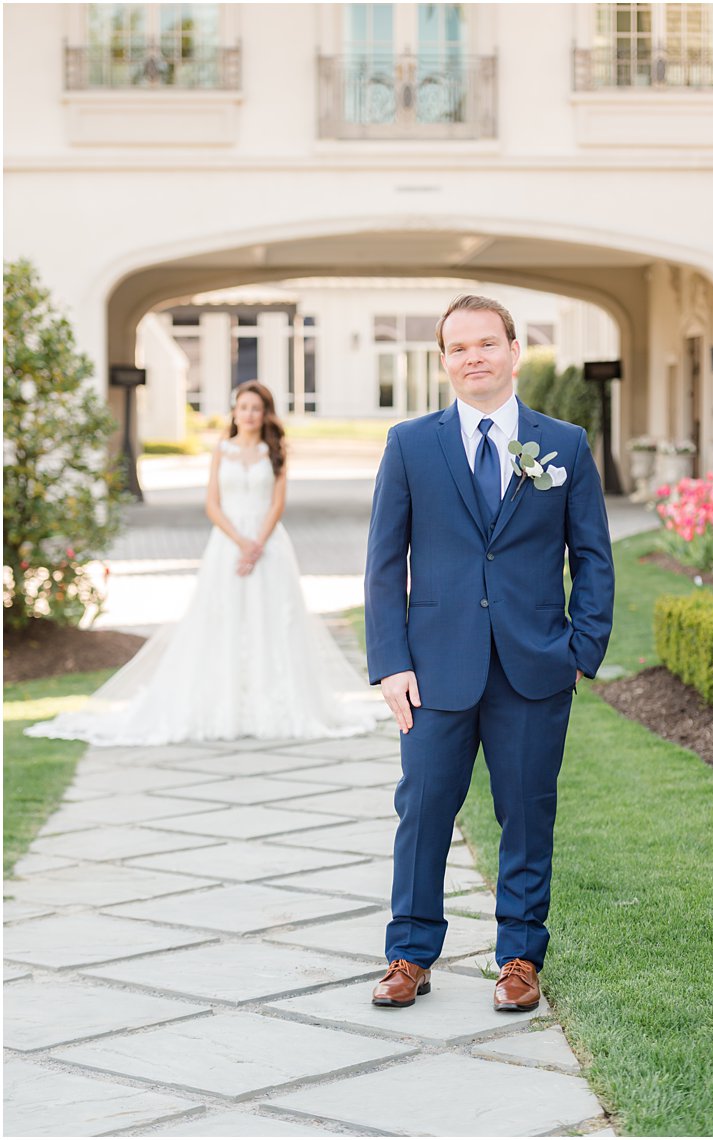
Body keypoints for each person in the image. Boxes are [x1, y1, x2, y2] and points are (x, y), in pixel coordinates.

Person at [365, 294, 614, 1014]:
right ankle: (409, 953)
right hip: (434, 669)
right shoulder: (410, 444)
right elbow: (385, 563)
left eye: (486, 344)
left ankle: (519, 956)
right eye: (458, 348)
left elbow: (592, 557)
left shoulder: (562, 445)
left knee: (529, 813)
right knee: (422, 811)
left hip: (535, 666)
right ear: (444, 360)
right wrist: (390, 662)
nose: (473, 357)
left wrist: (580, 649)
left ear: (513, 349)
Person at [26, 380, 385, 746]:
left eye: (255, 408)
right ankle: (224, 702)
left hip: (269, 544)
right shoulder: (222, 450)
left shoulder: (274, 451)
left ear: (265, 414)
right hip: (228, 545)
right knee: (223, 619)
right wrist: (241, 542)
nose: (248, 414)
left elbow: (277, 503)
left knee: (272, 619)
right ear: (234, 411)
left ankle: (272, 702)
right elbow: (212, 504)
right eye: (243, 407)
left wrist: (258, 544)